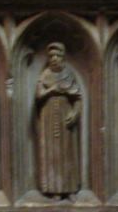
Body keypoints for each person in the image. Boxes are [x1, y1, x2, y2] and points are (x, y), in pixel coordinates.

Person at [34, 41, 82, 196]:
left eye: (57, 55)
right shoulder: (45, 74)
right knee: (51, 153)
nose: (54, 58)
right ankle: (53, 190)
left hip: (65, 115)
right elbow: (39, 95)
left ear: (63, 57)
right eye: (51, 56)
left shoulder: (69, 74)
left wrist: (75, 113)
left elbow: (78, 97)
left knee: (67, 151)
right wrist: (52, 90)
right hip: (48, 116)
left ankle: (70, 189)